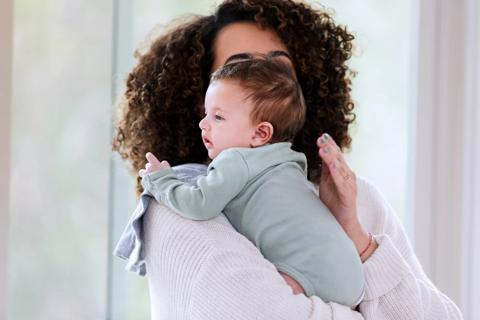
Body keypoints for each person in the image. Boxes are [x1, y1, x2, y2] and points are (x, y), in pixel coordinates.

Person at [112, 0, 464, 319]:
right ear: (202, 97)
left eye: (280, 70)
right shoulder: (175, 203)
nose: (266, 80)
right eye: (242, 69)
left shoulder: (357, 200)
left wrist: (356, 236)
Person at [137, 57, 365, 306]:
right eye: (206, 114)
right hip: (350, 274)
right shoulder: (291, 161)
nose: (203, 124)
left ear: (260, 134)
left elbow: (199, 204)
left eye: (218, 117)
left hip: (307, 272)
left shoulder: (236, 159)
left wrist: (161, 180)